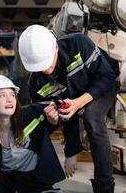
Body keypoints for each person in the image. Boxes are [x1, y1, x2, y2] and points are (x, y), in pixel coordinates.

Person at [18, 24, 120, 193]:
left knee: (92, 118)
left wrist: (78, 103)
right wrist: (69, 147)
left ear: (56, 47)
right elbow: (62, 116)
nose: (44, 69)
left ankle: (104, 187)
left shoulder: (78, 44)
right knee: (66, 111)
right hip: (74, 97)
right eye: (38, 66)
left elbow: (106, 76)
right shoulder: (35, 84)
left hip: (104, 82)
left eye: (47, 62)